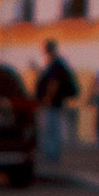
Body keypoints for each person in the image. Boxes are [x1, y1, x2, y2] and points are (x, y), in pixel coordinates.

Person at [35, 35, 77, 170]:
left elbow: (54, 83)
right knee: (52, 130)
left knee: (49, 130)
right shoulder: (55, 63)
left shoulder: (54, 64)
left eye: (44, 49)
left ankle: (51, 157)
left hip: (51, 103)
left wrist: (47, 98)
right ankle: (52, 156)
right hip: (55, 103)